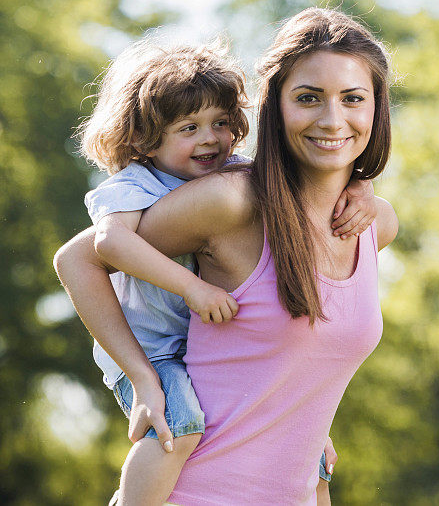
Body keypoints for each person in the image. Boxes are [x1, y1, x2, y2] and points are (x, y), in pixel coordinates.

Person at [55, 34, 376, 505]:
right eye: (189, 128)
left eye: (221, 123)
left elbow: (306, 174)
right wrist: (150, 364)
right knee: (177, 428)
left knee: (317, 462)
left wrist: (361, 186)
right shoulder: (134, 189)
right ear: (146, 138)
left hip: (194, 353)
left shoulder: (236, 175)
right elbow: (96, 248)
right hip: (151, 350)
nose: (209, 139)